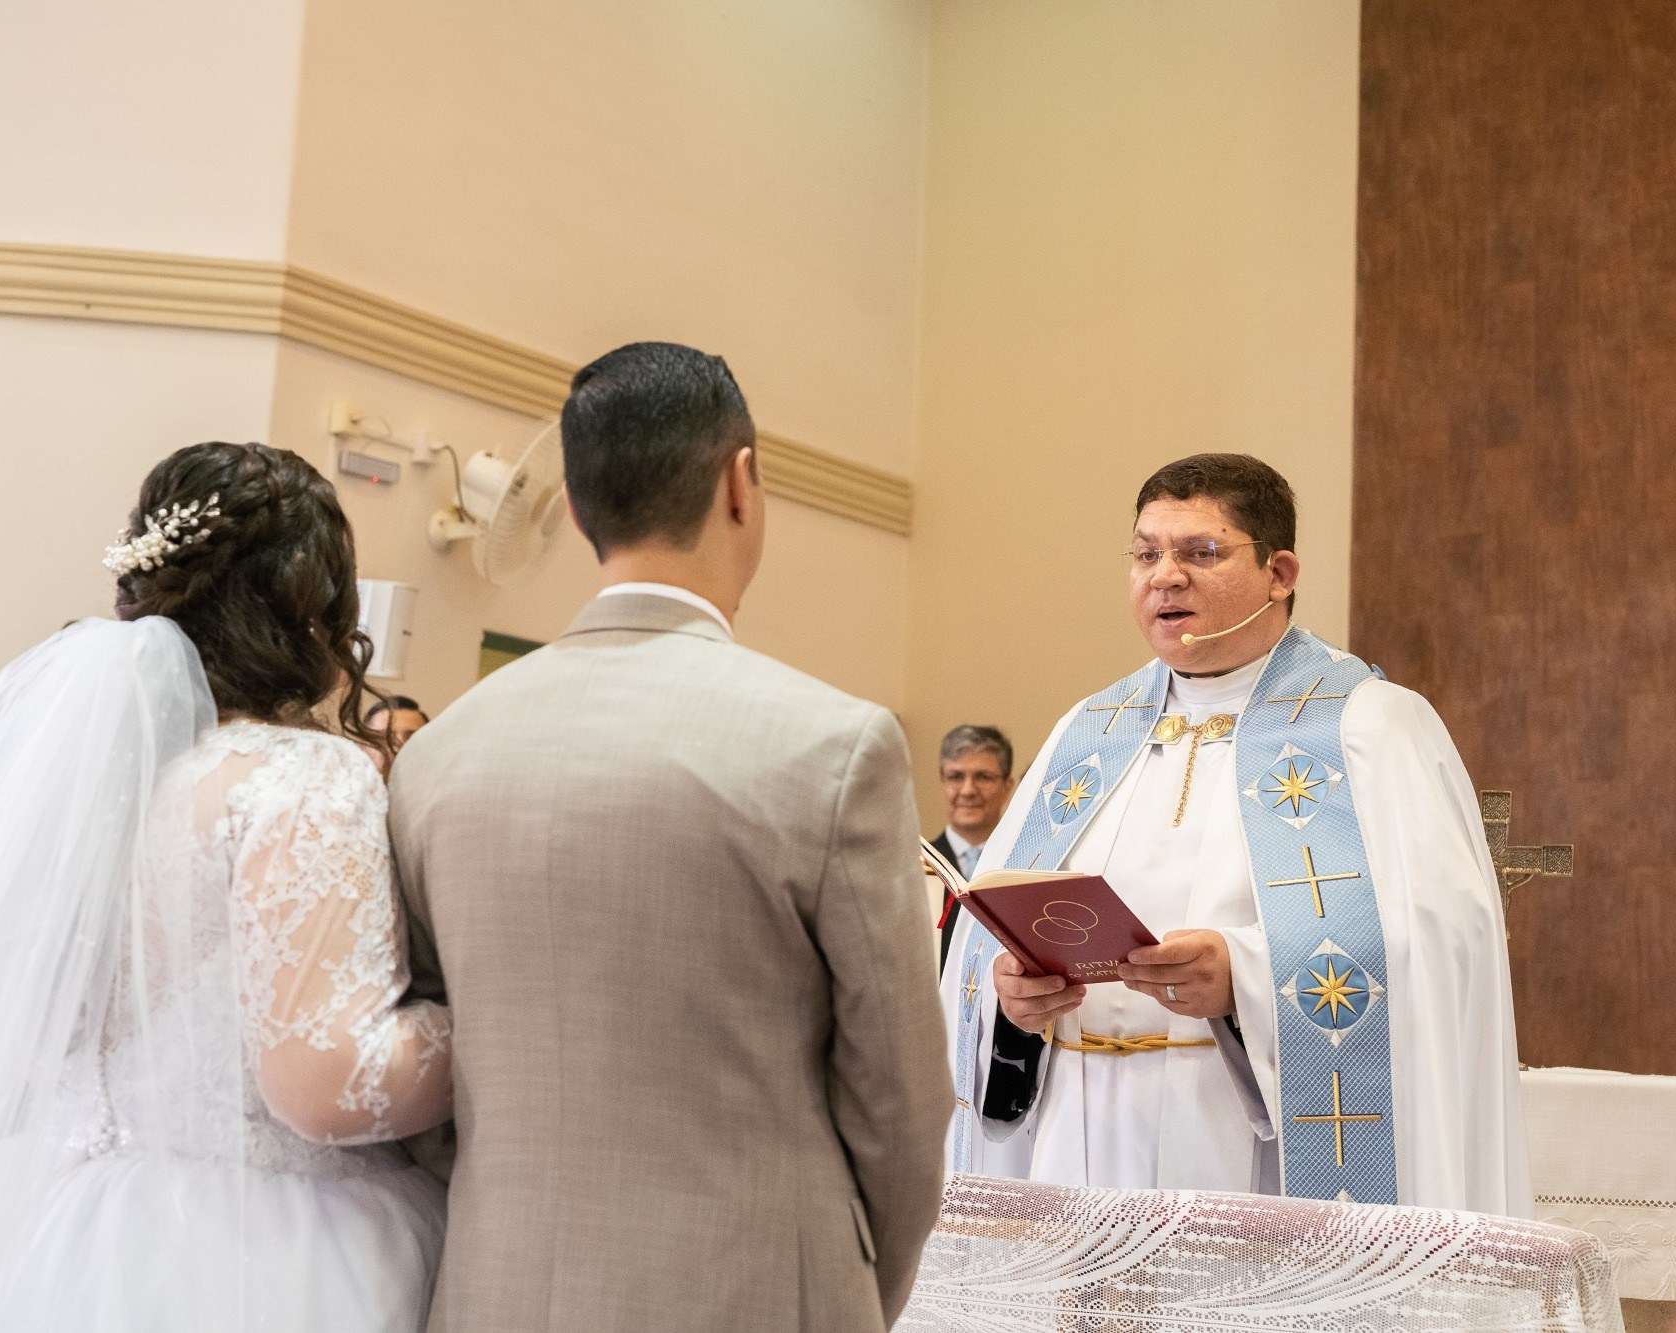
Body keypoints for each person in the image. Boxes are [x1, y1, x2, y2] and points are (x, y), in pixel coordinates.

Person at [0, 442, 452, 1330]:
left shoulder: (81, 782)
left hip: (50, 1214)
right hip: (249, 1248)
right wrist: (480, 1025)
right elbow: (326, 1082)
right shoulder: (302, 775)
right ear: (310, 601)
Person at [391, 342, 952, 1333]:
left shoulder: (440, 754)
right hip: (755, 1290)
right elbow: (900, 1099)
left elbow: (426, 1062)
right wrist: (847, 1290)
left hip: (498, 1286)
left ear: (571, 506)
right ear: (743, 485)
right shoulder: (831, 744)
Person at [940, 453, 1527, 1215]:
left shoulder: (1370, 725)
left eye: (1201, 552)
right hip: (1072, 1149)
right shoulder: (1086, 735)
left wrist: (1246, 979)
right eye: (1147, 553)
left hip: (1243, 1154)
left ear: (1280, 572)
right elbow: (984, 951)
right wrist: (1010, 1005)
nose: (1165, 576)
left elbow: (1447, 941)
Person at [929, 725, 1015, 970]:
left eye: (983, 777)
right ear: (942, 782)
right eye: (956, 777)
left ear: (1007, 786)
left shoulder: (1027, 867)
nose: (967, 791)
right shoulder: (911, 870)